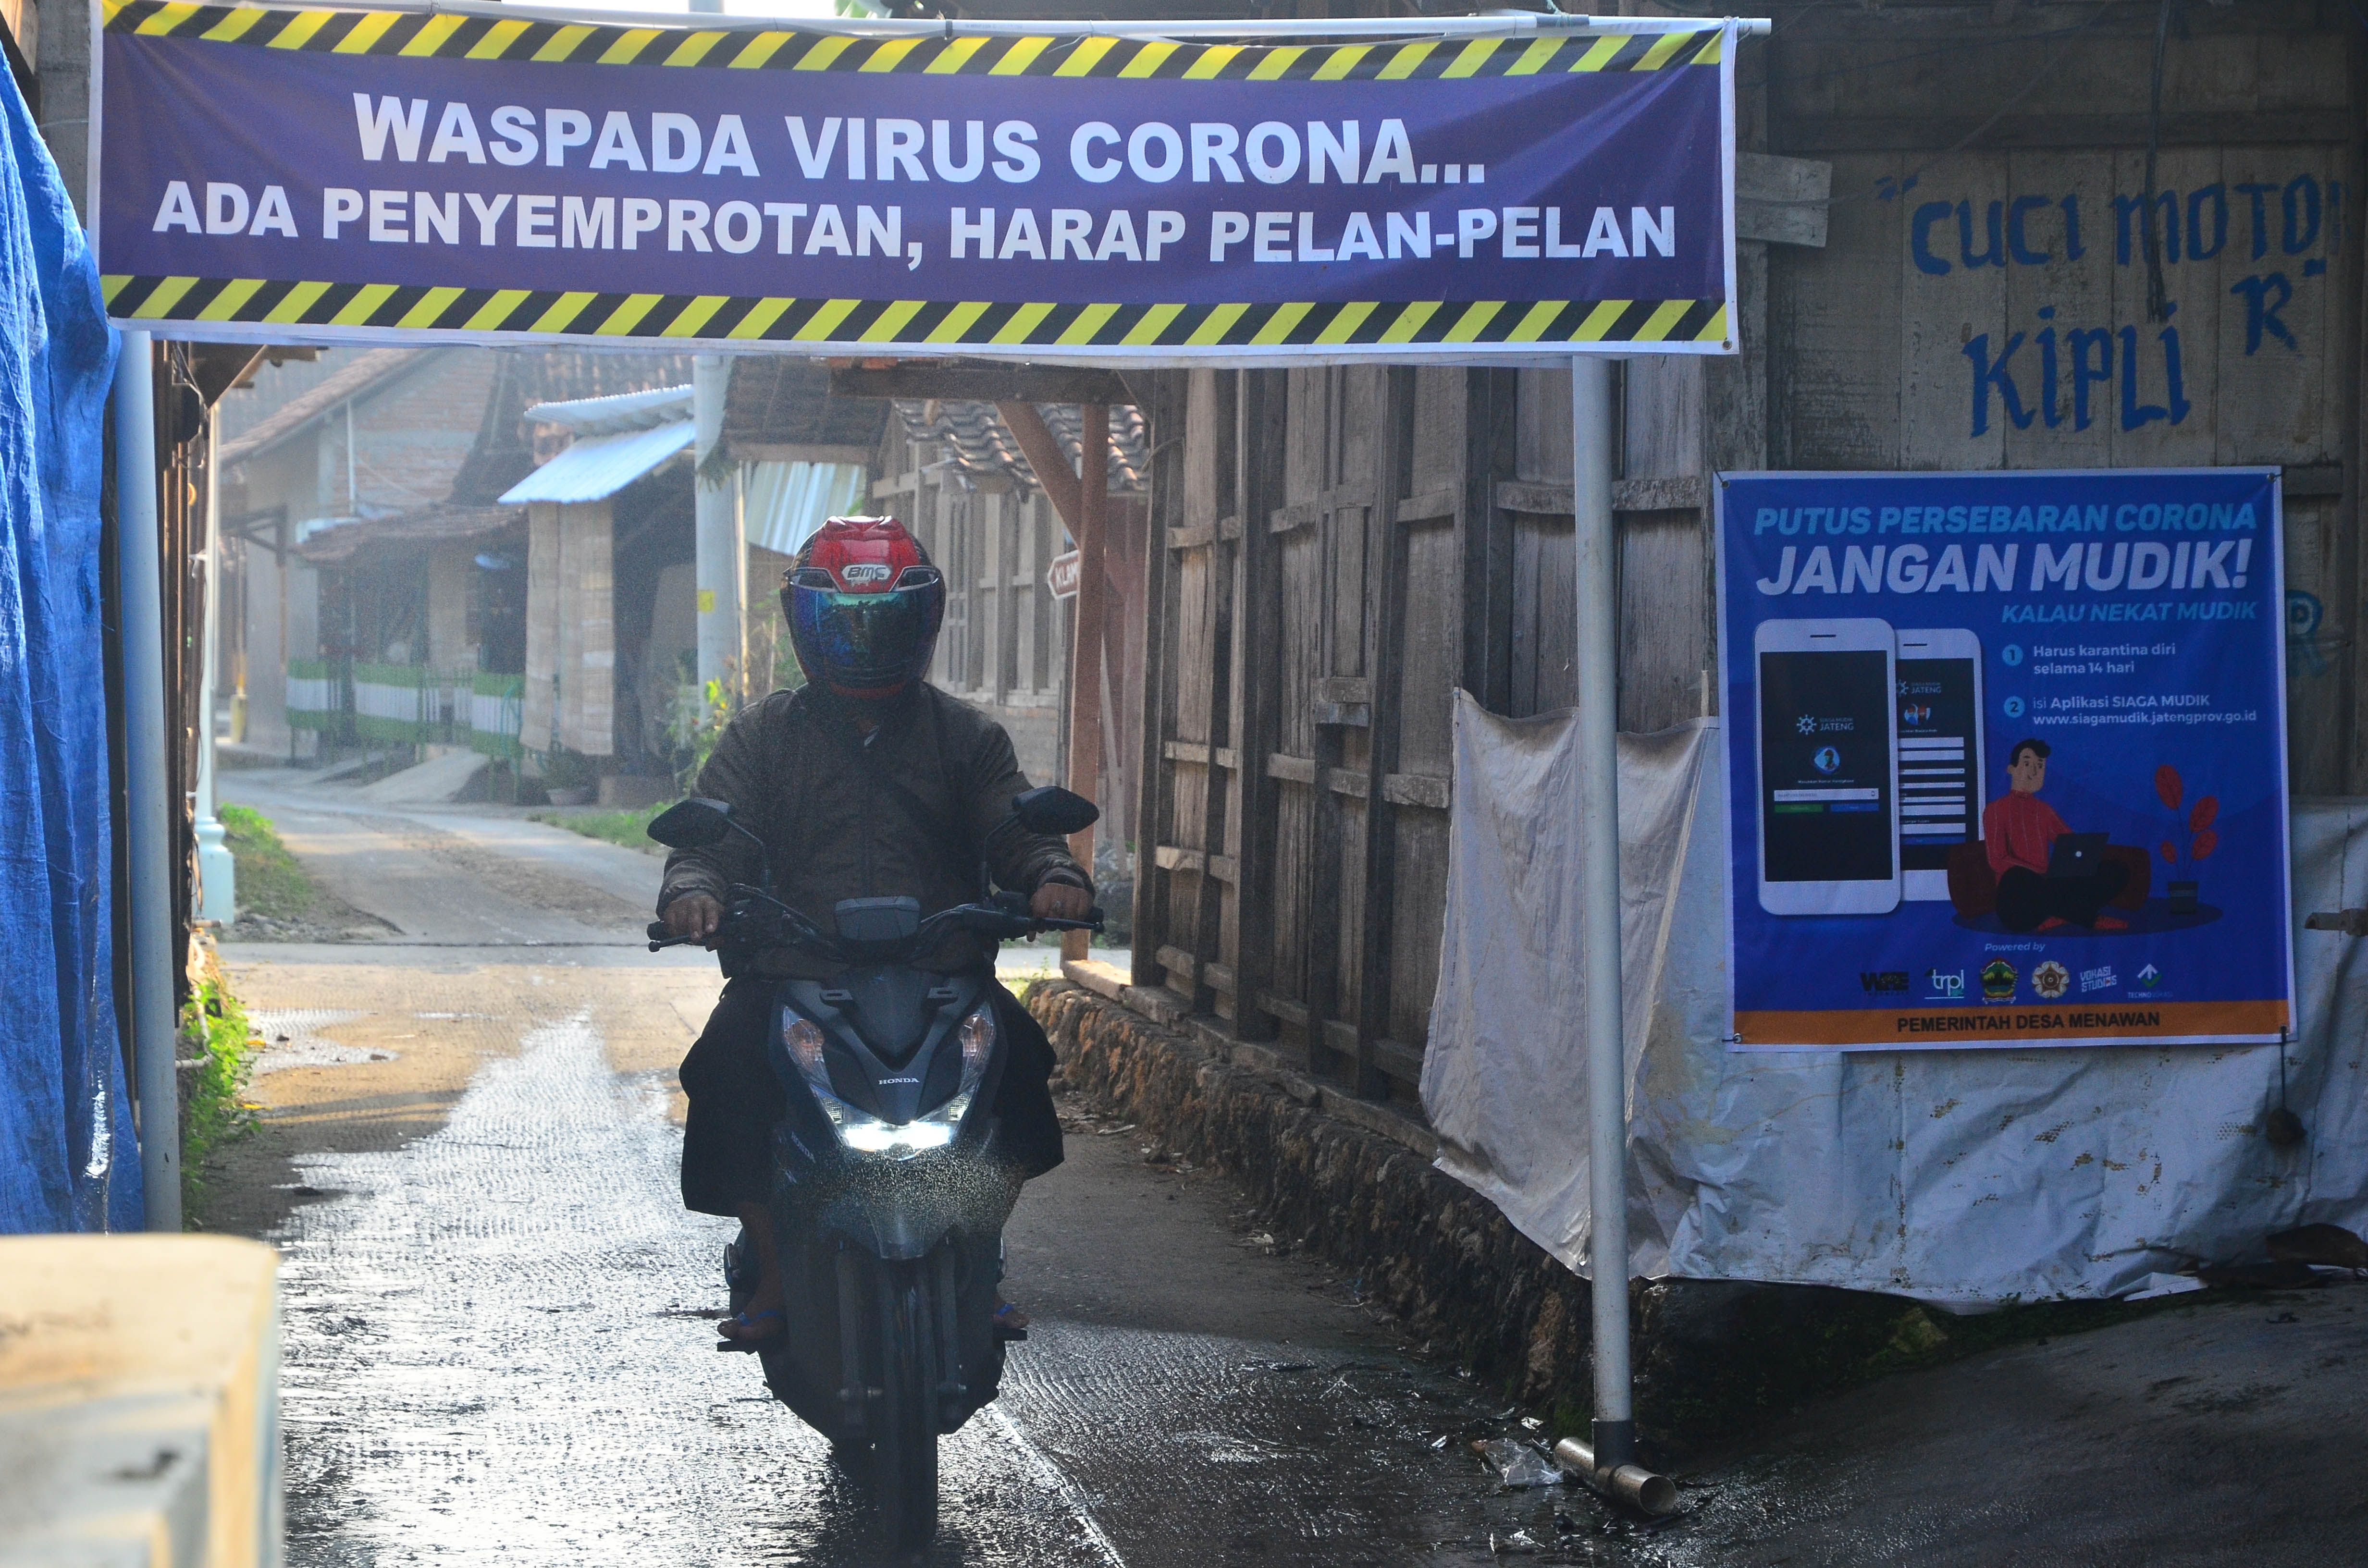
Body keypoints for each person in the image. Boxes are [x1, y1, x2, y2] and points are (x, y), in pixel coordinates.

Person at [658, 516, 1092, 1345]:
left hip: (939, 975)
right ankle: (775, 1267)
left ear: (921, 623)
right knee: (722, 1064)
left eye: (883, 621)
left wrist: (1053, 874)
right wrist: (693, 891)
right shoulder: (761, 736)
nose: (862, 639)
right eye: (841, 622)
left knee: (1021, 1062)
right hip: (792, 974)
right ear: (803, 623)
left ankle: (979, 1252)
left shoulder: (966, 736)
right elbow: (708, 841)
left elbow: (1015, 825)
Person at [1981, 737, 2128, 933]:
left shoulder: (2044, 810)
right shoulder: (1995, 810)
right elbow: (1998, 861)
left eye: (2040, 766)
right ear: (2012, 769)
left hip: (2047, 888)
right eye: (2027, 763)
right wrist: (2039, 873)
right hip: (2018, 901)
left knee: (2116, 870)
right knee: (2019, 877)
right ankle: (2088, 918)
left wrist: (2084, 855)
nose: (2034, 772)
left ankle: (2061, 914)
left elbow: (2069, 843)